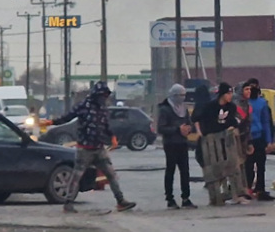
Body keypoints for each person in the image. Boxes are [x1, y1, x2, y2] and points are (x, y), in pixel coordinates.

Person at [55, 81, 136, 213]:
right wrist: (52, 122)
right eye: (102, 96)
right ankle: (68, 203)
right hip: (84, 149)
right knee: (76, 176)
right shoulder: (83, 106)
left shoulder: (103, 109)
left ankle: (121, 201)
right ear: (95, 95)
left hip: (99, 148)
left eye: (105, 96)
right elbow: (68, 117)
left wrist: (112, 137)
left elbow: (105, 126)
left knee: (111, 174)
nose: (103, 99)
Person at [196, 82, 245, 205]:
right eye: (228, 93)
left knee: (232, 166)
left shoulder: (231, 107)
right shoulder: (210, 107)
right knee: (215, 168)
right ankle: (215, 196)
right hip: (211, 142)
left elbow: (235, 120)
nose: (230, 96)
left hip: (226, 141)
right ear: (222, 94)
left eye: (231, 93)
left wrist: (234, 127)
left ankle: (235, 194)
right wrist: (201, 133)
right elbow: (200, 120)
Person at [156, 83, 196, 209]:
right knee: (170, 170)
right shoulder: (165, 109)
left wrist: (189, 128)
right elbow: (161, 128)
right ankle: (170, 198)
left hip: (182, 143)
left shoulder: (183, 108)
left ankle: (186, 197)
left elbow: (190, 123)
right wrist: (177, 129)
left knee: (185, 171)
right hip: (171, 144)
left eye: (184, 95)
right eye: (180, 95)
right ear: (173, 95)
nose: (182, 98)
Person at [243, 79, 275, 201]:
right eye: (248, 88)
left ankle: (260, 190)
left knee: (261, 166)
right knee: (248, 165)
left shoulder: (262, 103)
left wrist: (269, 140)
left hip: (259, 137)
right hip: (247, 138)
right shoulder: (244, 103)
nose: (251, 90)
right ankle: (247, 188)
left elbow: (266, 122)